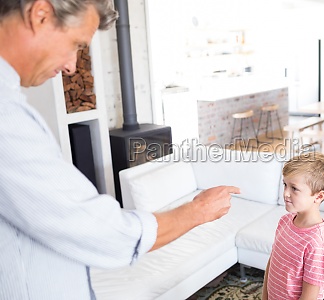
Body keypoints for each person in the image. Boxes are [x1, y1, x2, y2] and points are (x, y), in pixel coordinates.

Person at [0, 1, 239, 299]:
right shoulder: (5, 115)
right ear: (41, 14)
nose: (72, 66)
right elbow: (98, 230)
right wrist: (198, 210)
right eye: (76, 44)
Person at [262, 152, 324, 300]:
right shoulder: (284, 221)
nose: (285, 194)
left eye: (294, 188)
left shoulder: (317, 244)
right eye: (285, 185)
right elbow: (272, 262)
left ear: (318, 196)